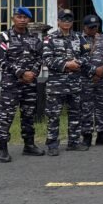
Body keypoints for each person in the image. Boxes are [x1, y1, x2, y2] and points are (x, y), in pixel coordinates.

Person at [0, 7, 45, 162]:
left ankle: (29, 145)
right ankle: (2, 148)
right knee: (6, 116)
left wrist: (33, 73)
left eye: (25, 17)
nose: (22, 20)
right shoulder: (4, 36)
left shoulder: (35, 39)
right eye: (19, 17)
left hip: (30, 84)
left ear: (29, 20)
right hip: (11, 84)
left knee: (29, 115)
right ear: (13, 18)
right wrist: (21, 73)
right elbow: (0, 59)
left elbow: (40, 58)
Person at [42, 9, 87, 155]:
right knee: (53, 115)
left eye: (69, 19)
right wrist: (67, 65)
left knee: (75, 113)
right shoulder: (50, 38)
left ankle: (73, 142)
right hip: (56, 85)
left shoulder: (80, 37)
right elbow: (47, 59)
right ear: (58, 21)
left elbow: (87, 55)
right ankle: (52, 144)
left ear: (72, 22)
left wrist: (78, 63)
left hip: (75, 83)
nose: (66, 22)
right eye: (63, 19)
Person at [79, 14, 103, 147]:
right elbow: (78, 58)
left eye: (95, 27)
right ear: (84, 27)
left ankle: (102, 134)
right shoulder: (78, 39)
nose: (93, 29)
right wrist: (93, 72)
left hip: (102, 79)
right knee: (86, 108)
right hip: (85, 79)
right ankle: (86, 135)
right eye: (90, 27)